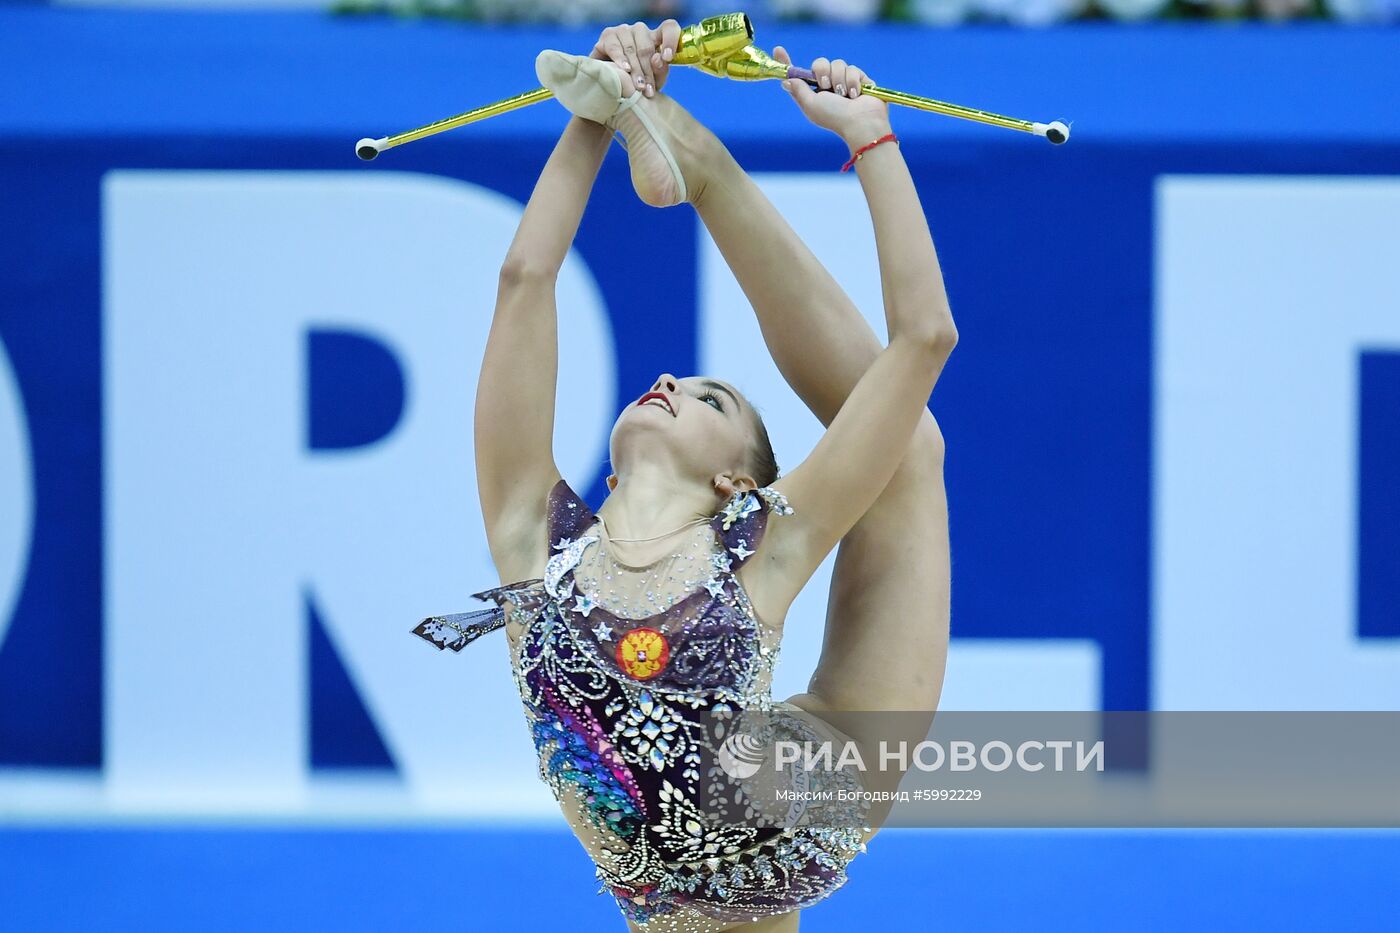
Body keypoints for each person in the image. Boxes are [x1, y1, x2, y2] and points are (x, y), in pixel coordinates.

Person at [413, 20, 955, 932]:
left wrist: (874, 139)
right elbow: (523, 279)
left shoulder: (763, 548)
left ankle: (699, 163)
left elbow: (926, 339)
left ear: (736, 485)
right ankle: (687, 154)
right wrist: (599, 103)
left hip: (820, 778)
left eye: (711, 400)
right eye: (681, 384)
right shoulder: (530, 540)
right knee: (911, 452)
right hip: (718, 871)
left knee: (909, 449)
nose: (668, 381)